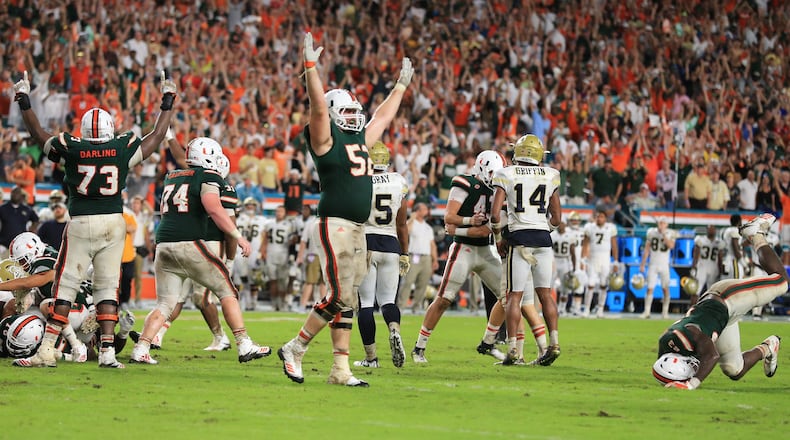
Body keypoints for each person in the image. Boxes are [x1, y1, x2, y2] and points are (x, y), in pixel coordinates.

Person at [12, 70, 176, 368]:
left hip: (82, 221)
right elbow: (156, 137)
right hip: (113, 222)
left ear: (85, 131)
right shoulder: (122, 147)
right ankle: (108, 352)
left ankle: (47, 349)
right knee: (107, 287)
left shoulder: (72, 148)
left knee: (65, 286)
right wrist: (168, 101)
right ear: (111, 129)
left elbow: (39, 135)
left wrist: (24, 100)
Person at [277, 33, 412, 387]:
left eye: (356, 111)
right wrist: (310, 70)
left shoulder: (359, 139)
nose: (354, 117)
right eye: (347, 112)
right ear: (335, 114)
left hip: (358, 227)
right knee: (339, 295)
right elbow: (318, 107)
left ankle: (340, 369)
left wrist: (399, 87)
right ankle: (296, 347)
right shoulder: (324, 137)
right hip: (334, 222)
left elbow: (381, 119)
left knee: (348, 298)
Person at [130, 138, 269, 365]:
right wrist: (237, 236)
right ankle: (243, 343)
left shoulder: (172, 176)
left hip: (163, 245)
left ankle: (142, 347)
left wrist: (170, 138)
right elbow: (214, 208)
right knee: (227, 290)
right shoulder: (209, 176)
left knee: (165, 304)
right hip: (189, 243)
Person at [652, 214, 783, 390]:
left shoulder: (691, 335)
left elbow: (711, 356)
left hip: (727, 298)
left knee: (781, 282)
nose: (691, 369)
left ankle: (756, 233)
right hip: (720, 317)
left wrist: (691, 384)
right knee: (734, 369)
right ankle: (769, 346)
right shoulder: (665, 346)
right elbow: (662, 365)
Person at [411, 150, 505, 364]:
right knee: (444, 299)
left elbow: (459, 228)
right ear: (481, 167)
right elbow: (449, 217)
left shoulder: (501, 188)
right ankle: (419, 347)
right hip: (464, 249)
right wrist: (471, 223)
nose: (494, 176)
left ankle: (489, 342)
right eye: (491, 172)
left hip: (486, 250)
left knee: (509, 297)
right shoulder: (465, 183)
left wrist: (459, 229)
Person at [490, 134, 562, 366]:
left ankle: (512, 349)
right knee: (545, 294)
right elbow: (557, 218)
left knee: (514, 296)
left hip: (519, 238)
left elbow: (493, 215)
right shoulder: (551, 175)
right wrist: (543, 230)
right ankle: (554, 344)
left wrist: (500, 237)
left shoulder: (506, 173)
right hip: (542, 238)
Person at [353, 142, 410, 368]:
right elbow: (402, 223)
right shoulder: (399, 181)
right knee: (388, 301)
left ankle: (371, 358)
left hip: (366, 241)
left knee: (366, 303)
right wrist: (405, 253)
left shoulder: (361, 181)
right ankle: (394, 330)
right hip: (391, 244)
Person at [396, 202, 438, 313]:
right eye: (424, 208)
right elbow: (406, 231)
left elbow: (432, 244)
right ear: (417, 211)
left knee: (423, 284)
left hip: (426, 258)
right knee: (408, 282)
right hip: (414, 256)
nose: (426, 210)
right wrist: (411, 218)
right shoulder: (412, 223)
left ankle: (416, 307)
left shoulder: (428, 227)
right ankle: (401, 307)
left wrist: (435, 259)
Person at [581, 209, 619, 318]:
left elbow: (614, 246)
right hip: (593, 258)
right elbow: (585, 244)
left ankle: (600, 309)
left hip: (605, 259)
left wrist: (615, 261)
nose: (599, 219)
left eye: (601, 217)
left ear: (605, 218)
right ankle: (587, 308)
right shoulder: (590, 227)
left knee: (603, 285)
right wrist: (582, 260)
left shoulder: (610, 228)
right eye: (597, 216)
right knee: (590, 284)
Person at [234, 197, 268, 311]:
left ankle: (253, 302)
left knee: (254, 278)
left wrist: (263, 251)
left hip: (255, 250)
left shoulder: (262, 219)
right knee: (240, 277)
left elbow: (265, 236)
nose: (250, 207)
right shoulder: (239, 218)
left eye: (252, 205)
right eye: (248, 205)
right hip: (240, 250)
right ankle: (242, 301)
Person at [639, 217, 677, 319]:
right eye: (660, 223)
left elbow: (671, 246)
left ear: (667, 225)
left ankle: (665, 312)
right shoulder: (652, 232)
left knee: (665, 288)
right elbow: (647, 249)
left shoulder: (670, 233)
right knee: (650, 288)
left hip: (664, 264)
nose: (661, 225)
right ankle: (647, 312)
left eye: (663, 223)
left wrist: (664, 234)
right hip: (653, 263)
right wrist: (642, 264)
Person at [261, 205, 297, 311]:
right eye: (277, 211)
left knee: (282, 281)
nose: (278, 213)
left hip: (283, 254)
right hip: (271, 254)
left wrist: (293, 240)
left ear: (285, 213)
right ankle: (274, 303)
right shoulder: (269, 224)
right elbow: (265, 239)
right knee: (272, 280)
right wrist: (262, 252)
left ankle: (282, 303)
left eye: (281, 211)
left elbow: (292, 241)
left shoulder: (289, 225)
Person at [0, 187, 39, 257]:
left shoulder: (27, 209)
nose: (14, 195)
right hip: (3, 243)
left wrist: (31, 230)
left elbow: (36, 220)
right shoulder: (3, 208)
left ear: (21, 196)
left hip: (20, 243)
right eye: (13, 193)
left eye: (17, 193)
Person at [690, 225, 721, 306]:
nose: (711, 231)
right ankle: (691, 310)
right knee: (696, 290)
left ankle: (709, 311)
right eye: (710, 229)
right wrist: (694, 267)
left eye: (713, 229)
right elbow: (696, 254)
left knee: (713, 293)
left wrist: (720, 270)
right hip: (701, 266)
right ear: (707, 230)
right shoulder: (700, 239)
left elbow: (720, 258)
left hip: (713, 268)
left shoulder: (719, 242)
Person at [720, 214, 745, 279]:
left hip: (725, 261)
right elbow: (735, 247)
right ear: (739, 221)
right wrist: (743, 262)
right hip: (734, 261)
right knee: (737, 285)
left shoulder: (724, 231)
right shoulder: (735, 230)